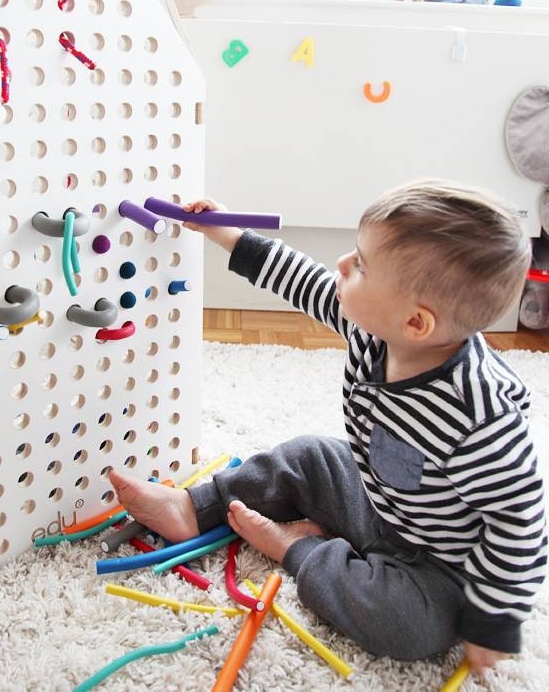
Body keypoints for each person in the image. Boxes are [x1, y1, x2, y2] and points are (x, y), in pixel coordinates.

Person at [109, 180, 547, 675]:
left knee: (407, 628)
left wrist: (495, 621)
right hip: (378, 501)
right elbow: (299, 279)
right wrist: (227, 233)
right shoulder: (375, 326)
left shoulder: (480, 419)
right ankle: (194, 507)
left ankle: (297, 548)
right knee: (310, 454)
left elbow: (521, 526)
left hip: (440, 564)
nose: (341, 264)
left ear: (417, 324)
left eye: (360, 264)